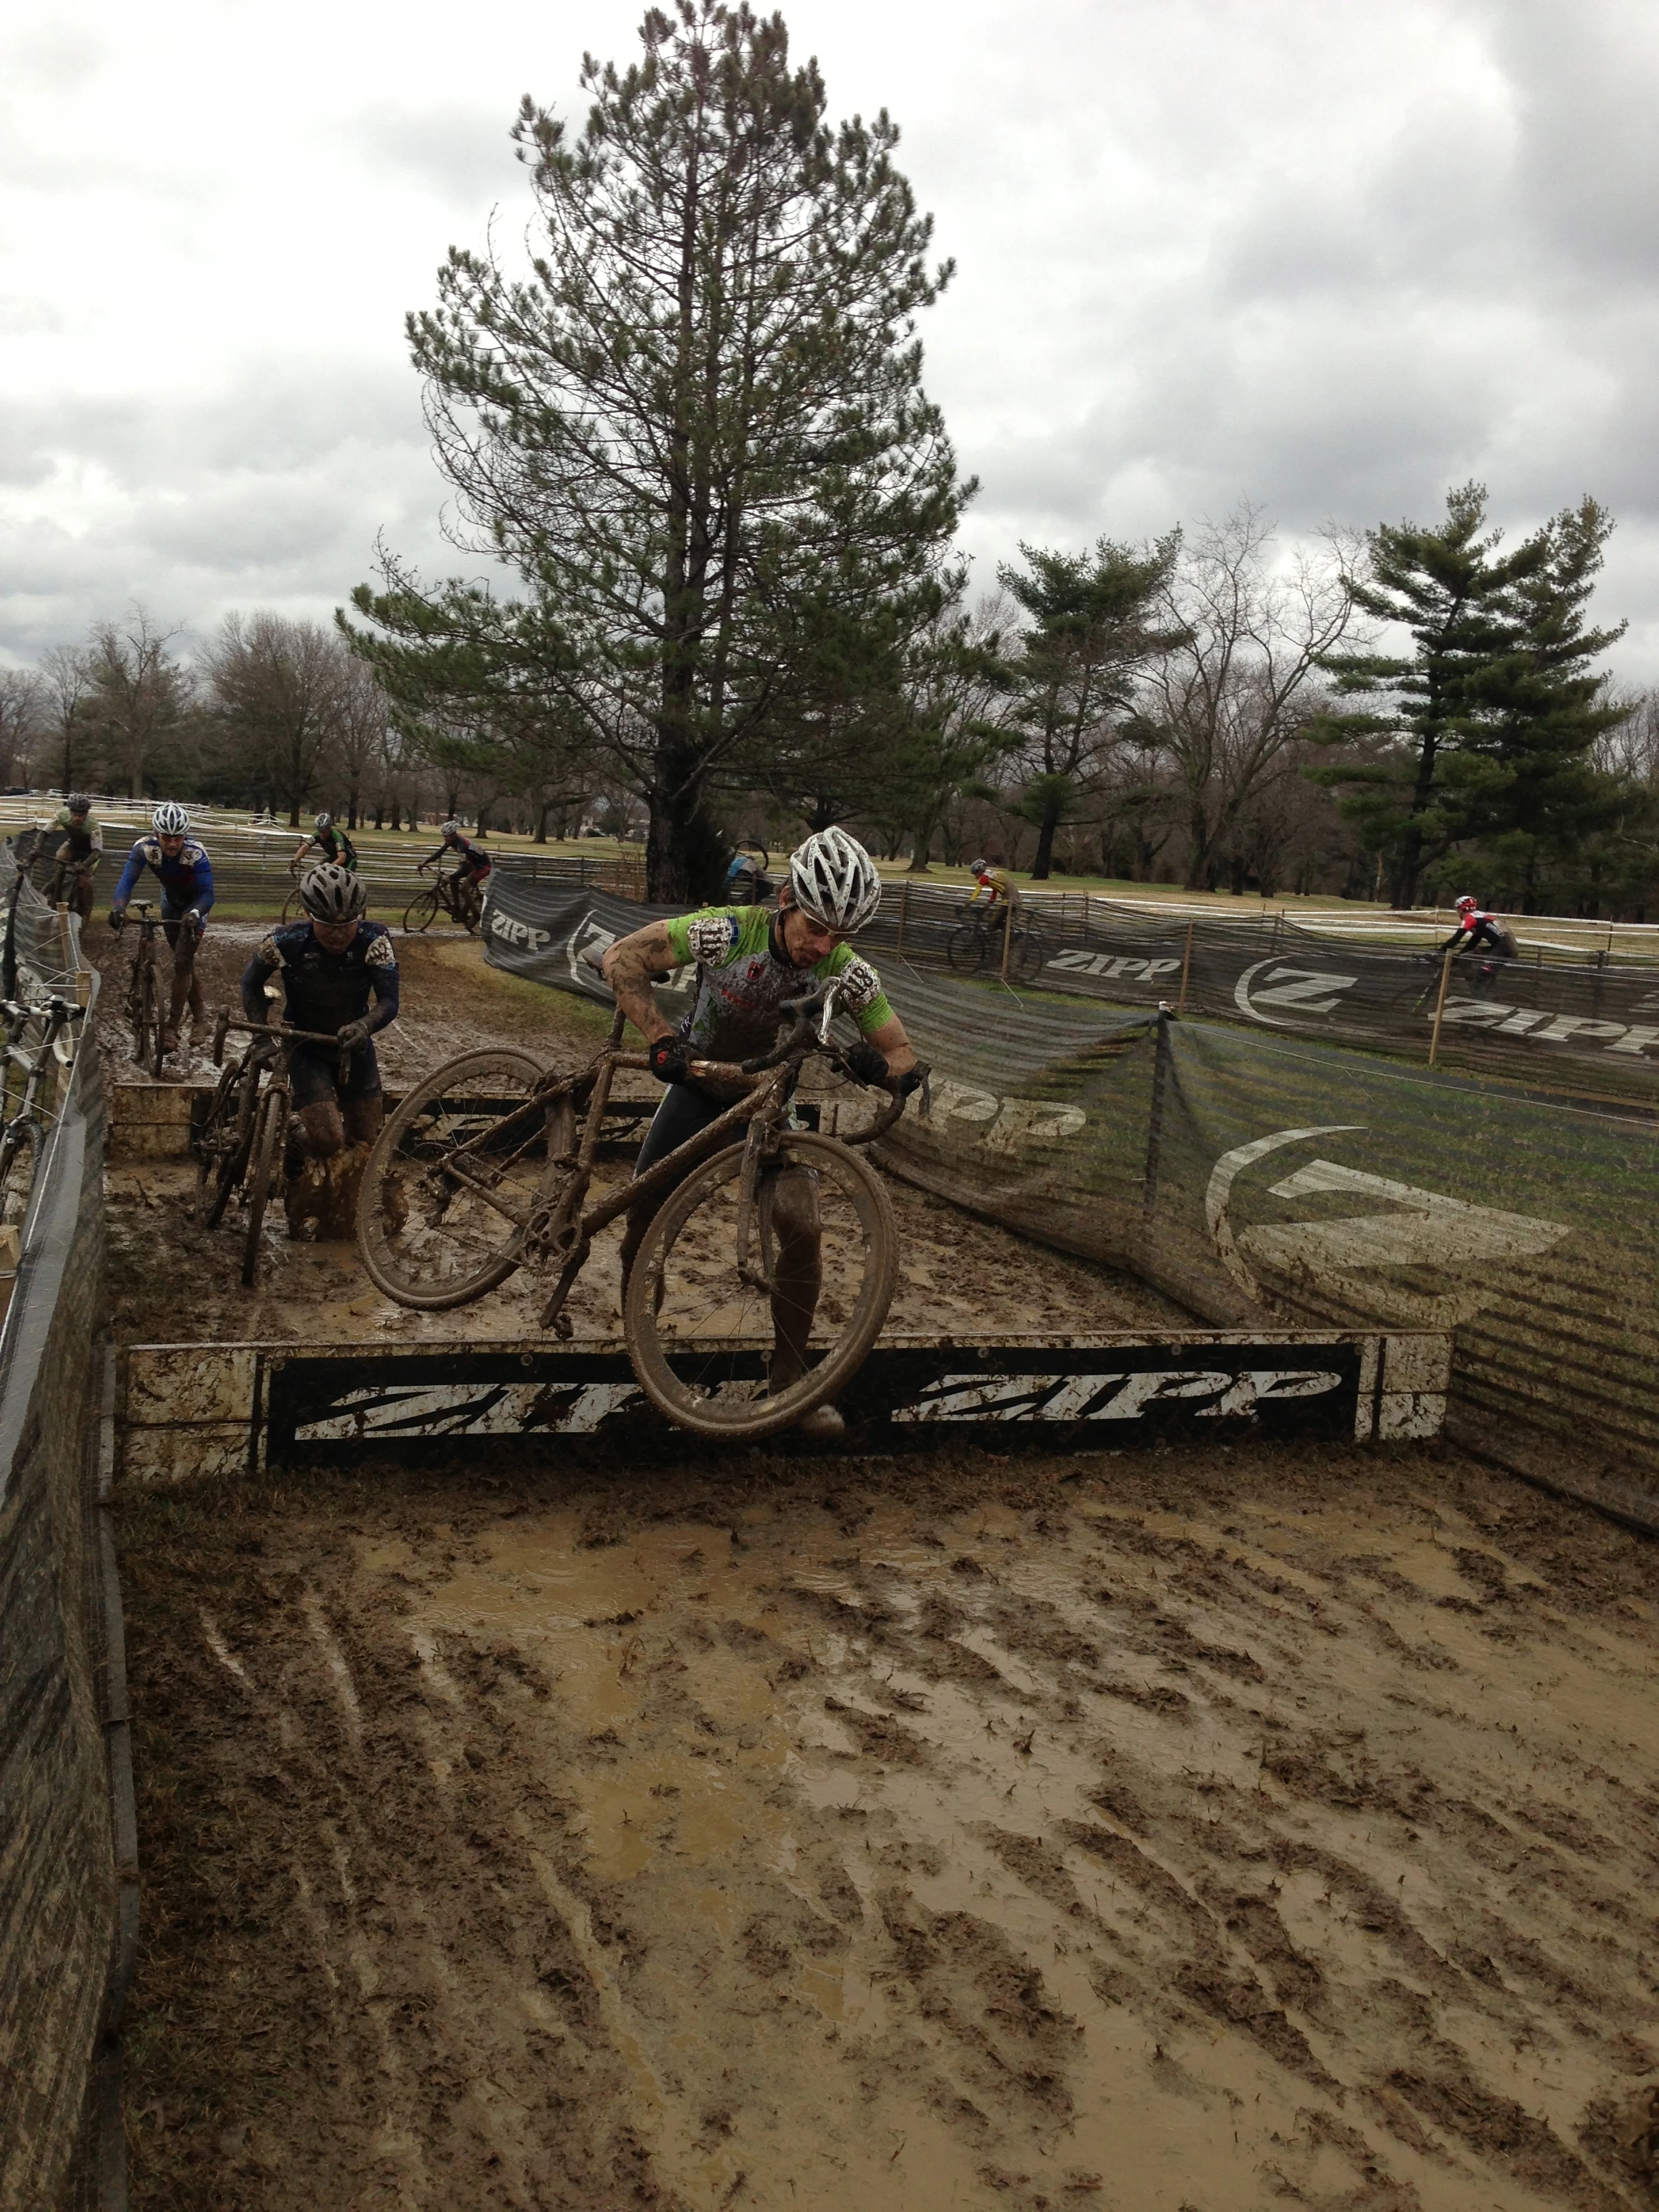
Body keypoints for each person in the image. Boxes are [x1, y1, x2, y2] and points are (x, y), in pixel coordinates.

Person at [602, 825, 922, 1439]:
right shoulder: (725, 931)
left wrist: (878, 1067)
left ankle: (789, 1385)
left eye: (840, 935)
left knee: (803, 1226)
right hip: (699, 1087)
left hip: (774, 1103)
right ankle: (638, 1360)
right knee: (640, 1226)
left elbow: (902, 1052)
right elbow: (623, 958)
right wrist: (661, 1038)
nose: (823, 945)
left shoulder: (847, 972)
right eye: (816, 928)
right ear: (785, 901)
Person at [239, 863, 399, 1238]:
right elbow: (250, 985)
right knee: (329, 1141)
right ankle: (295, 1143)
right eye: (328, 926)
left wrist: (364, 1026)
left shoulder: (375, 941)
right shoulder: (285, 941)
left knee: (366, 1143)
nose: (339, 936)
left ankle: (347, 1210)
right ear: (310, 916)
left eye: (348, 926)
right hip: (307, 1044)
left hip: (356, 1046)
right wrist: (262, 1039)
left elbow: (390, 1002)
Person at [109, 802, 215, 1054]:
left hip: (195, 906)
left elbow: (208, 894)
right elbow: (127, 881)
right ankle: (201, 1019)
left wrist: (194, 913)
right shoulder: (145, 849)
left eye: (178, 838)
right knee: (184, 963)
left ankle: (172, 1028)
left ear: (185, 836)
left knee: (182, 961)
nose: (172, 844)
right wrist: (119, 908)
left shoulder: (196, 853)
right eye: (167, 837)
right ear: (157, 834)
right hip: (169, 902)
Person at [419, 819, 492, 927]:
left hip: (483, 866)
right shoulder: (452, 841)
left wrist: (450, 876)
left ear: (454, 834)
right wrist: (425, 862)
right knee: (453, 879)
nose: (445, 838)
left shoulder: (462, 845)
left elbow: (464, 867)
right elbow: (440, 852)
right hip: (472, 864)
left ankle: (476, 915)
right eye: (444, 836)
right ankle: (457, 906)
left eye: (447, 836)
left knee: (463, 888)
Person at [48, 794, 103, 921]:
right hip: (73, 846)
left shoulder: (94, 826)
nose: (77, 818)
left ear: (87, 814)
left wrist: (84, 865)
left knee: (82, 882)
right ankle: (56, 890)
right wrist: (36, 849)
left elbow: (97, 851)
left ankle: (82, 910)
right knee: (60, 857)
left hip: (90, 854)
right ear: (70, 811)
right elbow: (45, 831)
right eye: (74, 814)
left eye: (81, 815)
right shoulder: (62, 815)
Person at [1435, 895, 1517, 965]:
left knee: (1485, 969)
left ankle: (1478, 983)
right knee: (1473, 954)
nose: (1458, 912)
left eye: (1458, 910)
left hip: (1502, 946)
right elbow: (1474, 941)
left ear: (1461, 909)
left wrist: (1441, 951)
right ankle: (1476, 981)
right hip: (1508, 946)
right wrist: (1459, 956)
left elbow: (1457, 938)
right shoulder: (1481, 917)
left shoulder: (1470, 918)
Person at [291, 811, 358, 877]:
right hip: (334, 857)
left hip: (349, 859)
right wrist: (295, 860)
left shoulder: (337, 837)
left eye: (323, 831)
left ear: (329, 829)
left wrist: (328, 870)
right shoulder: (316, 835)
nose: (321, 834)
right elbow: (305, 847)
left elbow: (342, 859)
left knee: (344, 878)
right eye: (319, 831)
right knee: (316, 869)